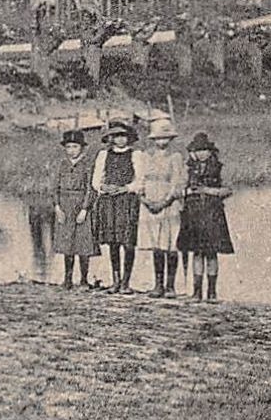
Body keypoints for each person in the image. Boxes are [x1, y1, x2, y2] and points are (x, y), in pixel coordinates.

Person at [178, 132, 235, 302]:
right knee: (197, 252)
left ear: (211, 151)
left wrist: (208, 191)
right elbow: (178, 190)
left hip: (212, 213)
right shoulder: (187, 168)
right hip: (193, 213)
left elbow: (228, 190)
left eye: (205, 150)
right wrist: (188, 191)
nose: (202, 153)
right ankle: (197, 292)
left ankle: (211, 292)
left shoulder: (219, 167)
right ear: (192, 152)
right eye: (198, 150)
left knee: (211, 253)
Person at [91, 119, 145, 293]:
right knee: (113, 241)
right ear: (110, 138)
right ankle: (115, 280)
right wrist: (103, 187)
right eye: (116, 136)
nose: (120, 140)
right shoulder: (103, 155)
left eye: (123, 136)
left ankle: (126, 282)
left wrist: (124, 188)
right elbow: (96, 180)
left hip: (127, 200)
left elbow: (140, 181)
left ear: (129, 138)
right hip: (109, 201)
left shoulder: (136, 155)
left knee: (128, 241)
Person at [137, 117, 189, 298]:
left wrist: (165, 202)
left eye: (165, 138)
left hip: (169, 205)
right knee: (156, 245)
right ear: (153, 140)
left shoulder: (175, 157)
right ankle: (158, 284)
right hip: (151, 203)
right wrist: (144, 199)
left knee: (170, 244)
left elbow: (178, 183)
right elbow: (140, 180)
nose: (162, 142)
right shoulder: (145, 156)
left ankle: (170, 286)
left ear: (170, 140)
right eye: (158, 138)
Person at [49, 128, 99, 289]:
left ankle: (84, 279)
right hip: (65, 205)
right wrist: (57, 207)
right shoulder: (61, 165)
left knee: (83, 243)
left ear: (81, 148)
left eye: (75, 147)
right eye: (69, 147)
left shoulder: (87, 165)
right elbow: (54, 187)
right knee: (67, 243)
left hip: (81, 205)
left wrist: (85, 209)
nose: (72, 150)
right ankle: (68, 278)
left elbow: (91, 189)